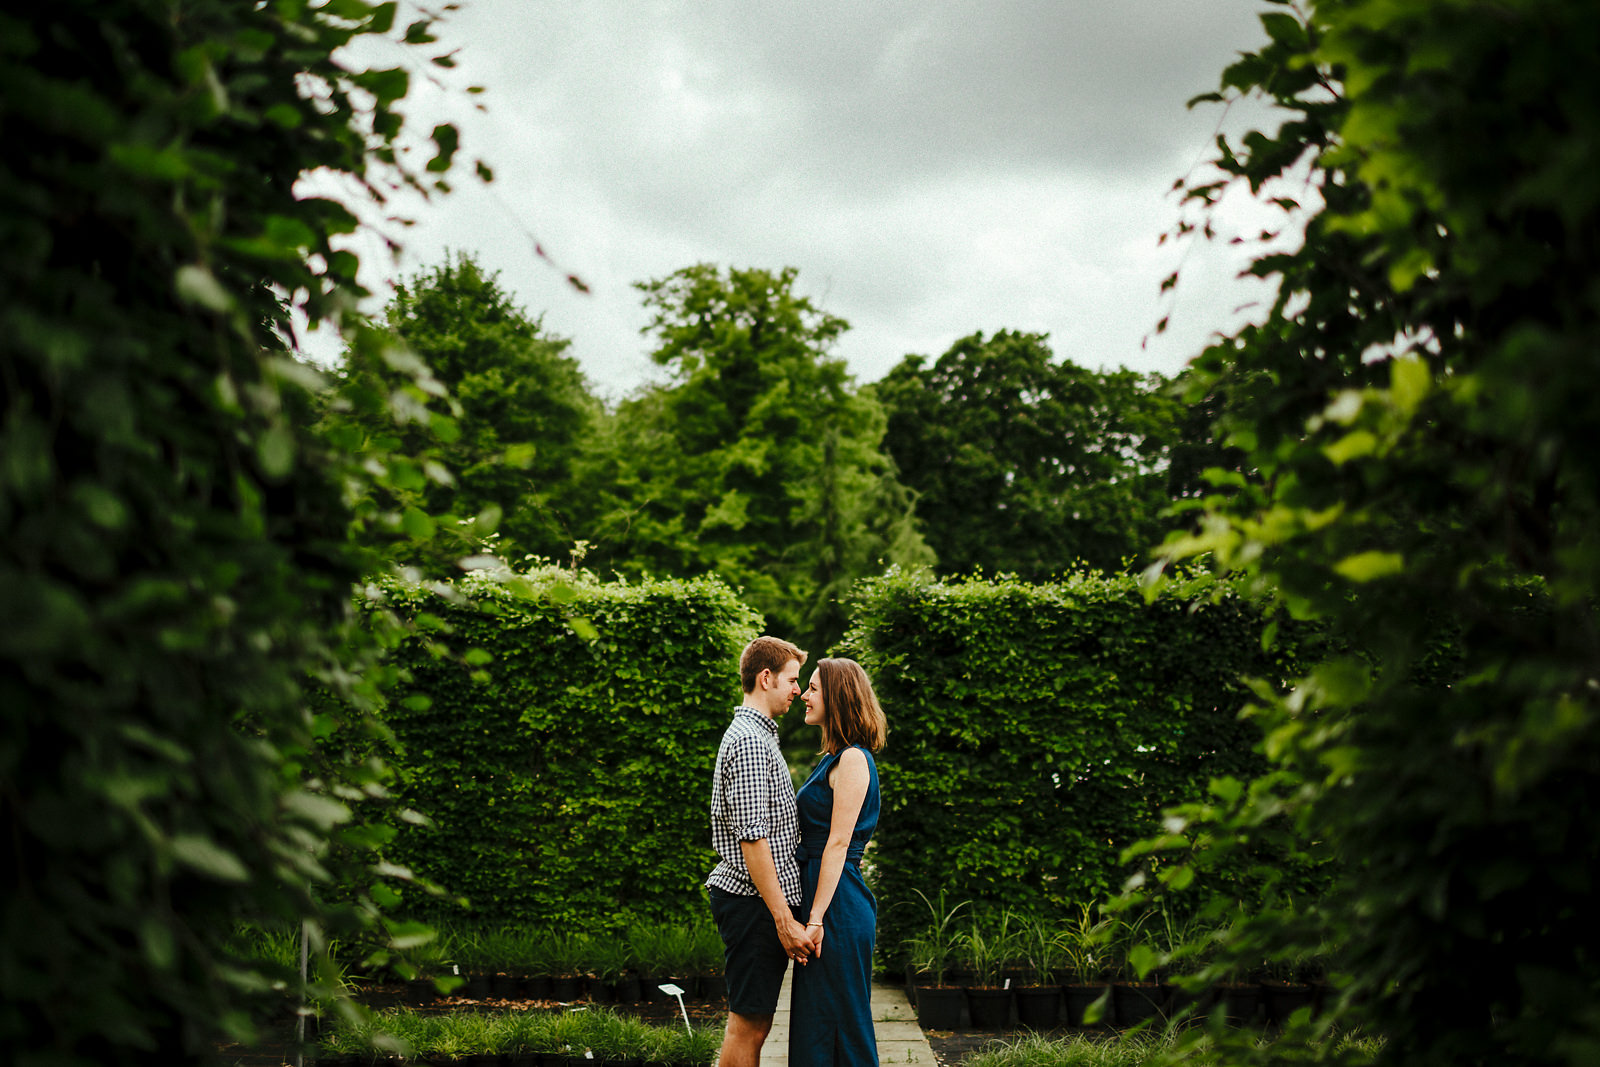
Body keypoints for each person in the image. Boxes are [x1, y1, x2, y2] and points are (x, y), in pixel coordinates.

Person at [707, 636, 814, 1067]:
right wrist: (784, 920)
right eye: (792, 679)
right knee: (747, 1025)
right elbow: (753, 840)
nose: (797, 689)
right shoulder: (751, 741)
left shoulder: (758, 735)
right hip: (753, 904)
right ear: (765, 677)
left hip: (755, 903)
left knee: (755, 1022)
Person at [789, 657, 886, 1067]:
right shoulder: (833, 756)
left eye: (813, 688)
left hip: (837, 907)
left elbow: (839, 843)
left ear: (839, 695)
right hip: (825, 899)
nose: (804, 696)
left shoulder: (853, 759)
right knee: (817, 1022)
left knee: (842, 1025)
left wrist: (815, 919)